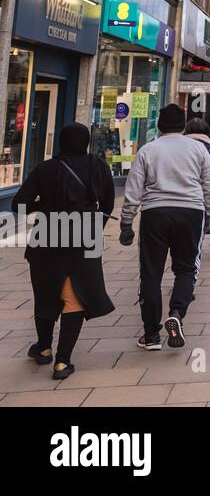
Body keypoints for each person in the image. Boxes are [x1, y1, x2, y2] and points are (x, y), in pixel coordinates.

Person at [12, 123, 116, 379]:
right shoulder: (98, 166)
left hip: (48, 234)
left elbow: (19, 204)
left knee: (45, 293)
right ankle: (62, 360)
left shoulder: (45, 169)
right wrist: (94, 227)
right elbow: (108, 204)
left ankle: (44, 347)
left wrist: (44, 206)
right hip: (84, 236)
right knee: (75, 296)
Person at [120, 103, 210, 351]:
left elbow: (133, 189)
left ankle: (151, 334)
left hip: (155, 213)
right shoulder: (198, 149)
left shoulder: (148, 150)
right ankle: (177, 311)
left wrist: (127, 222)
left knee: (151, 273)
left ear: (159, 125)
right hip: (190, 212)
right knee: (186, 269)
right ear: (183, 125)